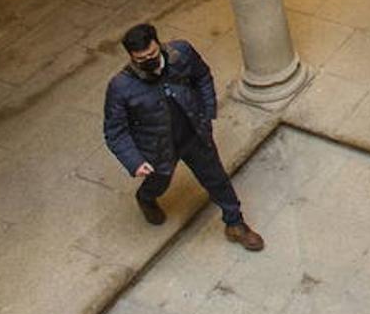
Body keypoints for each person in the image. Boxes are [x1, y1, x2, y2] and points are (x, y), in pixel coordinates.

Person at [103, 23, 265, 251]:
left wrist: (207, 111)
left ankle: (235, 223)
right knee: (158, 183)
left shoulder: (181, 54)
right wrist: (135, 162)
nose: (148, 60)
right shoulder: (121, 87)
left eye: (151, 54)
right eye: (141, 58)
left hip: (193, 133)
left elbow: (202, 77)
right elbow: (115, 131)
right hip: (157, 148)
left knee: (216, 178)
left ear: (158, 44)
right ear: (131, 57)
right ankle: (146, 198)